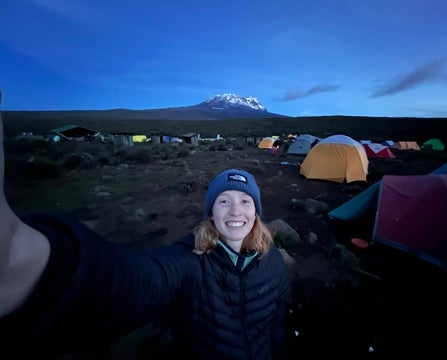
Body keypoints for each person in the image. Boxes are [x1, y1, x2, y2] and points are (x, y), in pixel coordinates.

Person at [0, 106, 291, 358]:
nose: (236, 211)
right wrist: (33, 260)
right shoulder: (192, 262)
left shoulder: (274, 262)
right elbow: (134, 282)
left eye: (245, 201)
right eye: (223, 201)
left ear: (257, 212)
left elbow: (276, 327)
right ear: (211, 214)